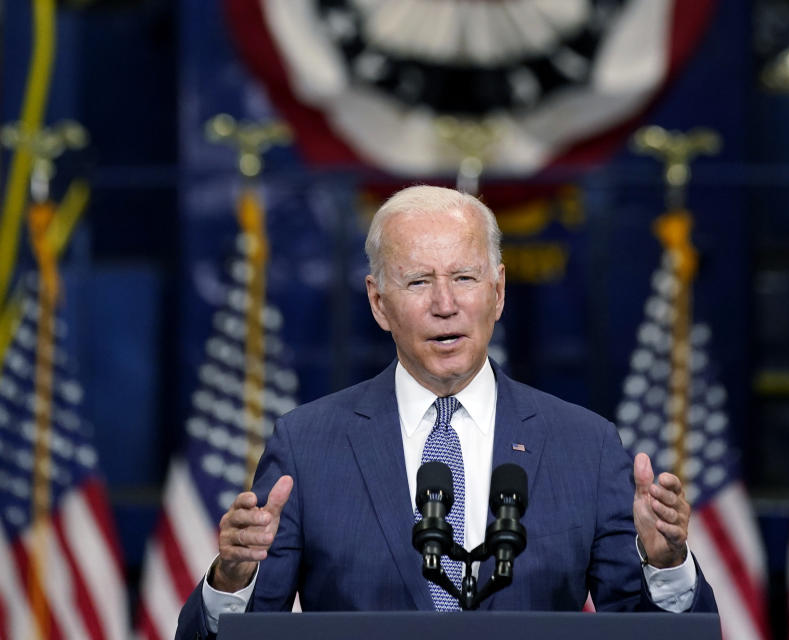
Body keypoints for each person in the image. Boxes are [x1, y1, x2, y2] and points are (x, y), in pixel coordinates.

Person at [176, 185, 717, 638]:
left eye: (464, 277)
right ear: (378, 302)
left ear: (498, 291)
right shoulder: (308, 445)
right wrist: (233, 580)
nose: (444, 303)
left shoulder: (585, 446)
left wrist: (665, 566)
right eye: (417, 281)